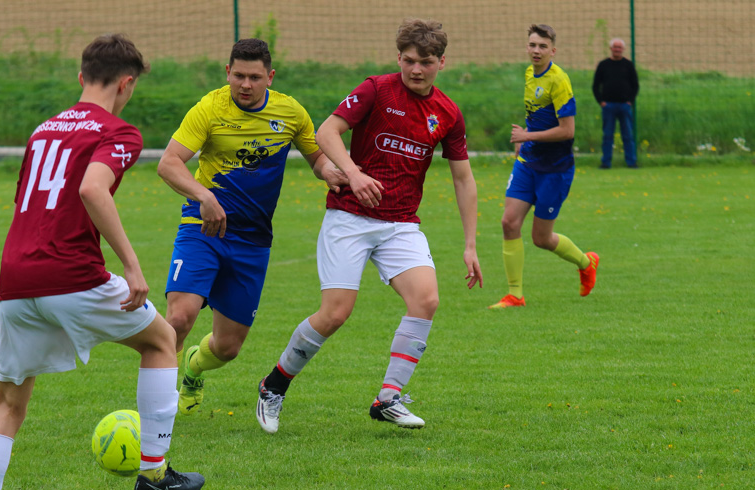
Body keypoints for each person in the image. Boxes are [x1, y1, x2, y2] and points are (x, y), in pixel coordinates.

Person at [0, 34, 204, 490]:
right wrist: (133, 266)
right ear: (127, 83)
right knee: (161, 340)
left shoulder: (44, 128)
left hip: (17, 277)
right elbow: (93, 189)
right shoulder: (118, 131)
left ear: (80, 78)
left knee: (7, 404)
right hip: (71, 272)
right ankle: (155, 475)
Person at [254, 18, 483, 434]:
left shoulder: (447, 113)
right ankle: (273, 386)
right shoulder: (376, 89)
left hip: (400, 224)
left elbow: (463, 179)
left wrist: (470, 244)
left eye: (426, 62)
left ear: (441, 63)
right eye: (409, 61)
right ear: (399, 57)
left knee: (426, 301)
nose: (416, 70)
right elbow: (327, 131)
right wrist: (353, 173)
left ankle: (389, 398)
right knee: (336, 313)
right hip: (350, 218)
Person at [157, 39, 344, 416]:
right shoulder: (210, 108)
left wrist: (332, 173)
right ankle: (157, 407)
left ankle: (193, 369)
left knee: (227, 348)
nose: (245, 84)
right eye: (238, 75)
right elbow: (169, 163)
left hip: (252, 241)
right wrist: (203, 197)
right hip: (203, 228)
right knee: (179, 317)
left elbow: (317, 156)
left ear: (269, 77)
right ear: (227, 72)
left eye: (254, 77)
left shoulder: (289, 112)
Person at [489, 24, 599, 310]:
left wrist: (526, 136)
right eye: (532, 45)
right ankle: (515, 295)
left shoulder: (559, 80)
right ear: (527, 47)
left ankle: (586, 263)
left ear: (553, 50)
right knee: (508, 222)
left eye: (542, 46)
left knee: (541, 238)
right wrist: (525, 137)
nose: (536, 50)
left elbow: (567, 131)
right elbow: (538, 116)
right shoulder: (529, 74)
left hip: (555, 169)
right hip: (528, 162)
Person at [593, 38, 639, 169]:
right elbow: (596, 86)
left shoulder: (628, 65)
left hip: (625, 106)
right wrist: (601, 102)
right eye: (615, 47)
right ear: (611, 49)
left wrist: (630, 101)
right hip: (608, 106)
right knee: (608, 135)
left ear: (623, 50)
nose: (617, 50)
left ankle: (631, 162)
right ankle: (606, 162)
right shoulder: (603, 65)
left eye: (619, 48)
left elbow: (635, 85)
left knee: (628, 135)